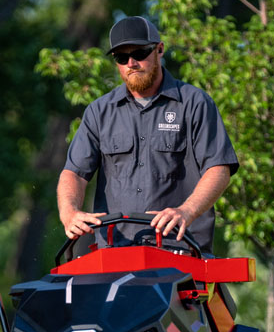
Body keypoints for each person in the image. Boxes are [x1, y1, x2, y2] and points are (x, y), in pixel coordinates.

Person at [57, 16, 239, 254]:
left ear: (159, 50)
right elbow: (74, 174)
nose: (132, 63)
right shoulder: (99, 112)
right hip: (115, 252)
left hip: (181, 250)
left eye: (140, 53)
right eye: (122, 57)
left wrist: (186, 211)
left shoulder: (195, 103)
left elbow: (219, 170)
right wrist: (69, 212)